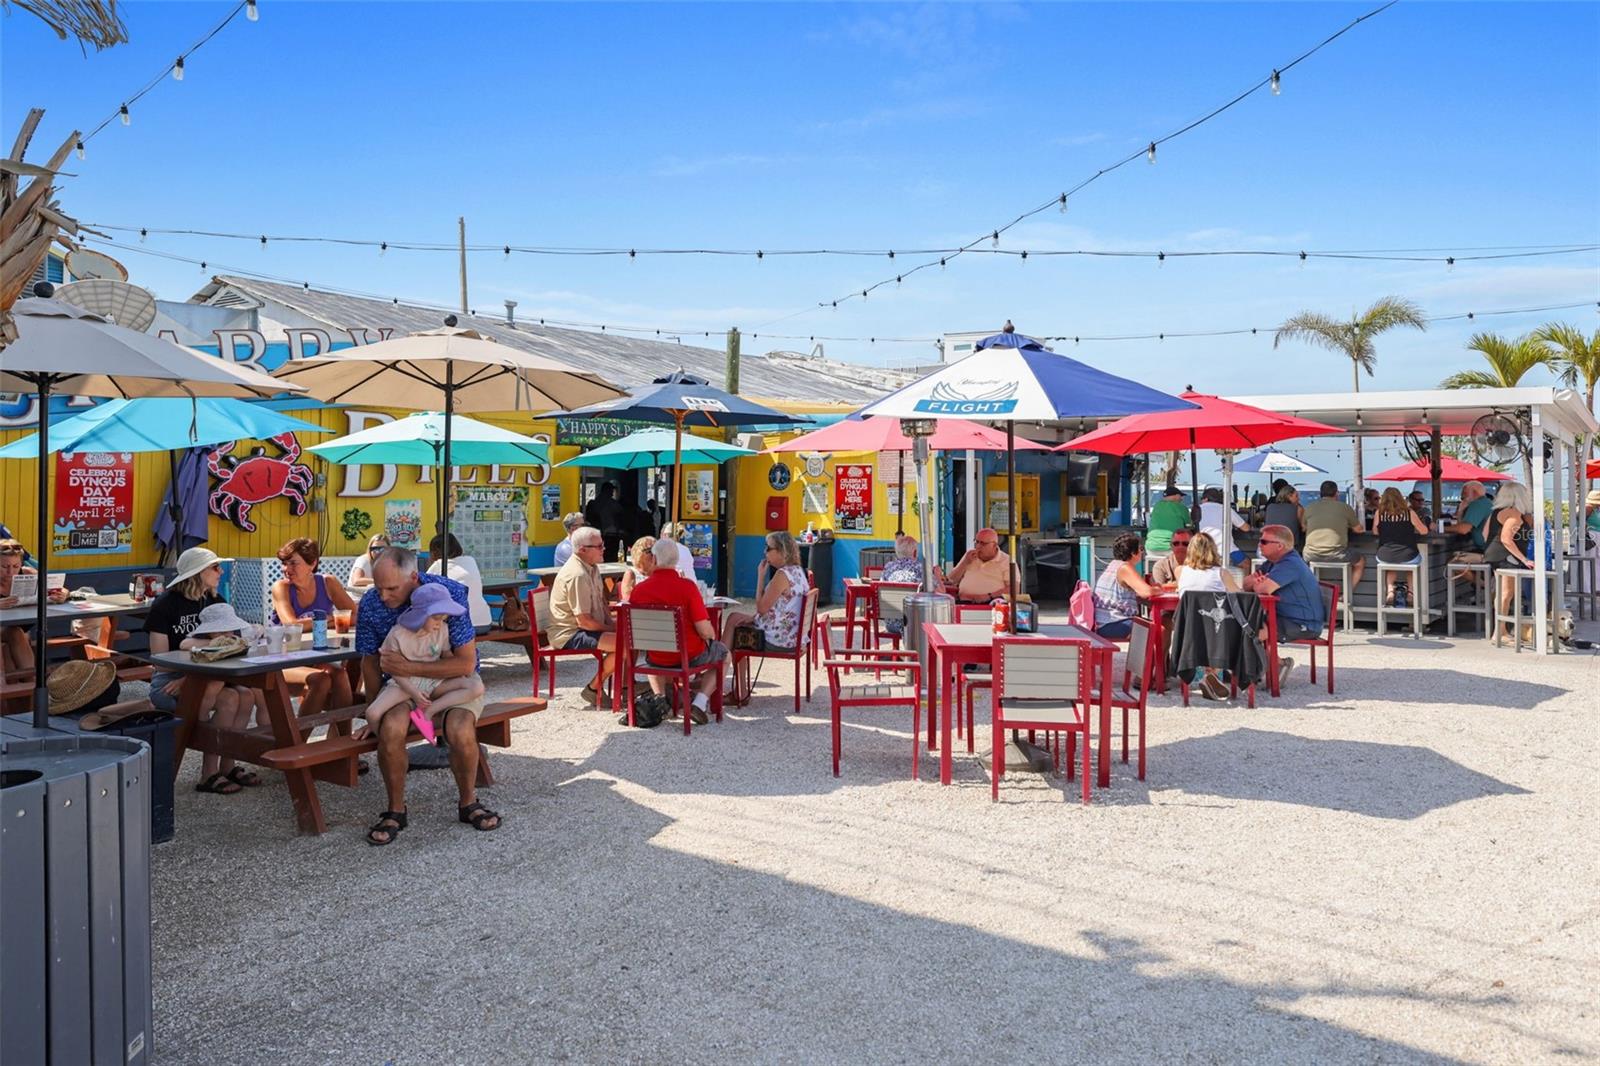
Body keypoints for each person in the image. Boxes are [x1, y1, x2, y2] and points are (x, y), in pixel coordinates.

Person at [356, 548, 494, 843]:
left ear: (414, 577)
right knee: (390, 727)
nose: (383, 596)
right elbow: (370, 660)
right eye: (378, 587)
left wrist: (407, 667)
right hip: (403, 686)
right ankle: (396, 810)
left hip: (451, 681)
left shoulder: (448, 594)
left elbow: (464, 663)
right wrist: (372, 708)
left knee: (459, 728)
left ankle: (468, 802)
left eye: (391, 588)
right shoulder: (370, 603)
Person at [142, 550, 260, 794]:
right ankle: (209, 772)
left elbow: (231, 645)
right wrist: (191, 674)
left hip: (210, 677)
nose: (221, 571)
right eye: (215, 567)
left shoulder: (215, 602)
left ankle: (228, 765)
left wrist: (194, 673)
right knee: (230, 699)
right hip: (170, 681)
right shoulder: (165, 604)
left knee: (246, 695)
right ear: (197, 572)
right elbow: (160, 661)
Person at [362, 583, 485, 747]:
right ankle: (385, 741)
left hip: (434, 681)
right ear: (420, 615)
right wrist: (413, 692)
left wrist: (458, 672)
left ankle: (429, 711)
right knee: (372, 713)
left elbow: (446, 654)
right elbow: (393, 669)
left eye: (443, 618)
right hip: (404, 684)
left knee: (476, 687)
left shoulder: (442, 630)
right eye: (436, 618)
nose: (439, 623)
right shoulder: (397, 634)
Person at [626, 539, 728, 727]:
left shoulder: (639, 591)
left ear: (654, 559)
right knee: (723, 653)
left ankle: (660, 700)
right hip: (688, 656)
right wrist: (712, 635)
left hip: (655, 656)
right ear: (676, 560)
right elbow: (704, 631)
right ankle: (699, 703)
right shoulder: (687, 587)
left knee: (654, 650)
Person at [269, 538, 357, 715]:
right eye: (284, 563)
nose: (286, 569)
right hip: (282, 660)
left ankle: (340, 732)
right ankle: (299, 734)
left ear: (312, 563)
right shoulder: (281, 587)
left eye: (293, 563)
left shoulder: (327, 583)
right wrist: (329, 619)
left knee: (340, 675)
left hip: (316, 655)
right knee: (321, 680)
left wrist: (322, 621)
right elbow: (291, 625)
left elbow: (354, 615)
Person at [720, 531, 810, 681]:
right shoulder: (798, 571)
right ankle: (732, 685)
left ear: (782, 551)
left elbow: (761, 609)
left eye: (768, 548)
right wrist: (755, 617)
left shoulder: (782, 575)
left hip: (778, 640)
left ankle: (717, 674)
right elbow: (781, 607)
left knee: (733, 624)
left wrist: (760, 577)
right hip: (794, 638)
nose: (765, 551)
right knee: (736, 619)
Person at [1245, 524, 1326, 689]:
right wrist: (1254, 582)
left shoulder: (1290, 564)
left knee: (1249, 631)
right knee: (1245, 624)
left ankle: (1269, 667)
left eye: (1264, 542)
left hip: (1303, 623)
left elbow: (1263, 589)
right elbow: (1246, 584)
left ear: (1280, 546)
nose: (1259, 545)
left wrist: (1257, 584)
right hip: (1284, 617)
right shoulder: (1272, 563)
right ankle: (1271, 665)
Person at [548, 526, 617, 705]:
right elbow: (584, 622)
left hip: (583, 628)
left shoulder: (592, 567)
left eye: (602, 544)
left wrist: (614, 625)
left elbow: (602, 603)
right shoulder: (577, 575)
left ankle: (625, 686)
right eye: (599, 546)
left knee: (630, 637)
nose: (604, 549)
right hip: (569, 633)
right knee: (624, 644)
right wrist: (612, 628)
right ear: (582, 550)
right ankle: (593, 688)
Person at [1175, 532, 1238, 701]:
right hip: (1217, 629)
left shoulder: (1180, 571)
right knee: (1226, 626)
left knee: (1205, 630)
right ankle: (1213, 673)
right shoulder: (1222, 573)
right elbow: (1238, 596)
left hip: (1189, 628)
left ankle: (1208, 676)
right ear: (1213, 550)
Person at [0, 538, 67, 677]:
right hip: (9, 629)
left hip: (20, 628)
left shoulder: (28, 573)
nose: (10, 572)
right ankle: (30, 683)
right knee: (15, 633)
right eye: (4, 567)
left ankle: (27, 684)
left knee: (15, 637)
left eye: (15, 566)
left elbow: (61, 589)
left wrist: (64, 595)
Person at [1482, 481, 1536, 642]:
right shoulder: (1514, 513)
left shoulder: (1495, 512)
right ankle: (1499, 632)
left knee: (1502, 593)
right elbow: (1506, 539)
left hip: (1493, 555)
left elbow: (1485, 534)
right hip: (1507, 557)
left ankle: (1501, 630)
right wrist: (1524, 559)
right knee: (1506, 594)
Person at [1302, 480, 1366, 590]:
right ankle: (1345, 593)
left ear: (1320, 493)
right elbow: (1359, 530)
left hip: (1310, 554)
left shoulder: (1309, 508)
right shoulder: (1345, 508)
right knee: (1360, 561)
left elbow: (1303, 527)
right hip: (1337, 554)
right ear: (1336, 493)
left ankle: (1311, 593)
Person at [1092, 532, 1156, 639]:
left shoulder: (1113, 565)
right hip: (1113, 623)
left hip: (1104, 623)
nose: (1142, 552)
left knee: (1150, 626)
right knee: (1159, 629)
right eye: (1141, 549)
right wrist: (1161, 589)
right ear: (1133, 553)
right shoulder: (1125, 568)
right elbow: (1147, 592)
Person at [1372, 488, 1429, 608]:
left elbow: (1375, 531)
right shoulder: (1409, 513)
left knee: (1390, 563)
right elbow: (1424, 531)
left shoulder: (1379, 513)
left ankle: (1390, 591)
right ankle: (1411, 593)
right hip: (1409, 555)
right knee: (1411, 564)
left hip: (1384, 555)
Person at [426, 533, 491, 628]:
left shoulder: (439, 565)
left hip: (461, 627)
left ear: (434, 552)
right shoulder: (470, 561)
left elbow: (422, 590)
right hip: (484, 622)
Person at [943, 527, 1019, 603]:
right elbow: (951, 580)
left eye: (983, 543)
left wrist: (988, 596)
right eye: (976, 542)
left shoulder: (1006, 561)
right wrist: (965, 562)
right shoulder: (970, 556)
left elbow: (1014, 589)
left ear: (994, 545)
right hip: (964, 602)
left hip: (992, 603)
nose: (978, 546)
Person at [878, 534, 924, 639]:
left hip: (891, 625)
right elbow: (939, 591)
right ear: (915, 552)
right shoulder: (921, 568)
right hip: (914, 624)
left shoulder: (888, 567)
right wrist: (938, 575)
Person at [1198, 487, 1252, 571]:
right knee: (1247, 563)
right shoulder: (1226, 509)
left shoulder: (1197, 509)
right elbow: (1246, 528)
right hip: (1227, 551)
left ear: (1205, 499)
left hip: (1203, 550)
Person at [1447, 480, 1494, 572]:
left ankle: (1481, 581)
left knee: (1454, 563)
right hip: (1490, 549)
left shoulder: (1477, 504)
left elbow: (1463, 529)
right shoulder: (1488, 502)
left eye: (1464, 494)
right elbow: (1462, 526)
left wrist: (1440, 528)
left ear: (1474, 492)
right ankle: (1481, 580)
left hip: (1486, 551)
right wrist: (1460, 511)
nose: (1462, 498)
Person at [584, 482, 627, 561]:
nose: (612, 493)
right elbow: (621, 513)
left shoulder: (594, 503)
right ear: (607, 490)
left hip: (598, 534)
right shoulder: (612, 503)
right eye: (611, 491)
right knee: (611, 557)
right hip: (610, 535)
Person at [1145, 486, 1189, 554]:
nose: (1181, 499)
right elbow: (1189, 524)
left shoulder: (1156, 506)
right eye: (1181, 496)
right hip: (1171, 548)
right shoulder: (1181, 507)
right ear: (1177, 495)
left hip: (1150, 548)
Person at [1263, 486, 1305, 551]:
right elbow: (1304, 528)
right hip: (1290, 547)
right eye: (1296, 496)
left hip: (1269, 545)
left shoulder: (1270, 507)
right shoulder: (1298, 509)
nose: (1299, 499)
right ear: (1289, 496)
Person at [618, 535, 656, 601]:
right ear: (639, 553)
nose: (655, 554)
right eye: (651, 551)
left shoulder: (660, 572)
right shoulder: (631, 573)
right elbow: (628, 600)